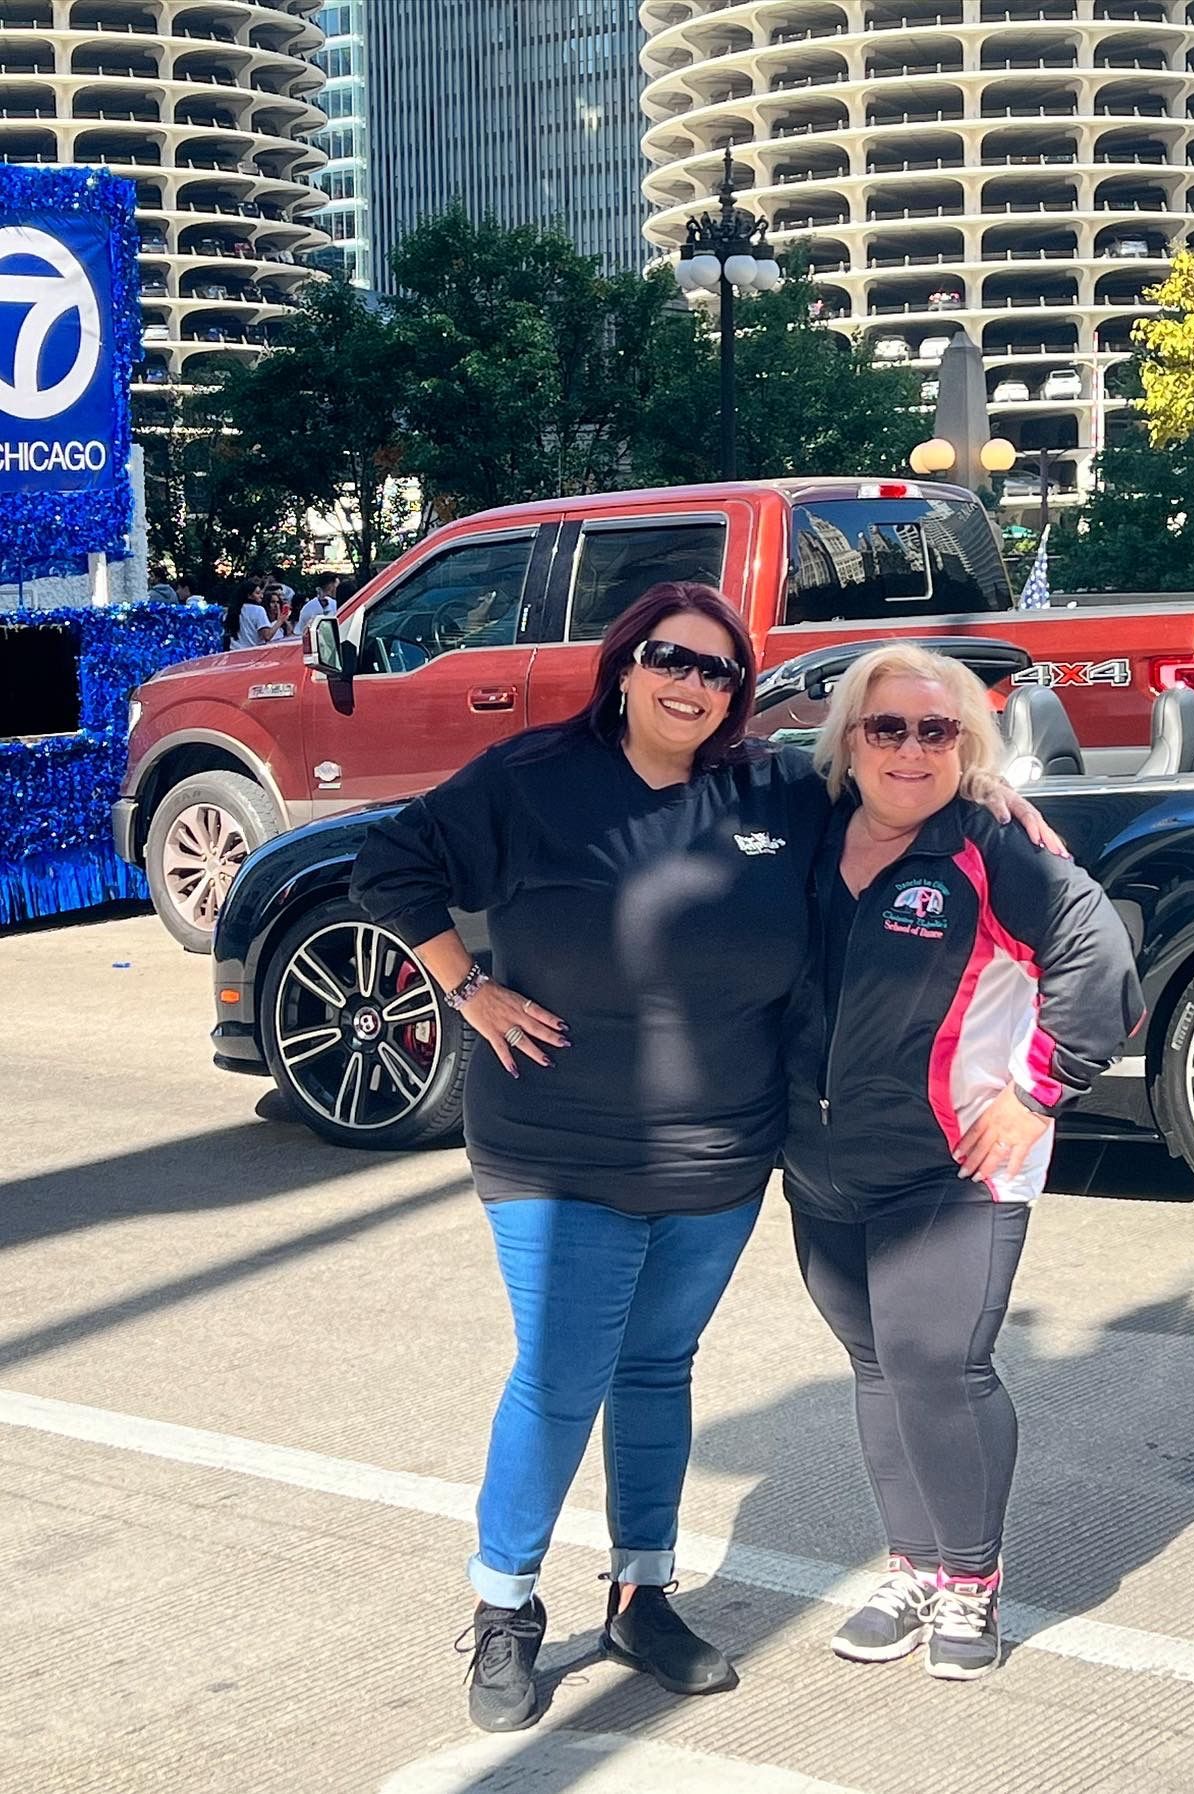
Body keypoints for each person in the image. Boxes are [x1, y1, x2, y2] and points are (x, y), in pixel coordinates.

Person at [350, 586, 1058, 1734]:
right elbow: (387, 861)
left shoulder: (775, 786)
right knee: (562, 1373)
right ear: (624, 666)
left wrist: (993, 796)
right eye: (671, 659)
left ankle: (642, 1593)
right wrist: (468, 989)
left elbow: (903, 781)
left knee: (656, 1369)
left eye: (721, 671)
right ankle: (504, 1608)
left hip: (722, 1146)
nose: (694, 684)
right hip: (557, 1143)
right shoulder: (530, 778)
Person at [782, 643, 1143, 1685]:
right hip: (821, 1163)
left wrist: (1039, 1091)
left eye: (937, 732)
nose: (909, 749)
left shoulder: (992, 848)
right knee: (877, 1365)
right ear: (849, 739)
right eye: (886, 727)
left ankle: (969, 1583)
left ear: (969, 747)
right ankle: (910, 1566)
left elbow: (1101, 964)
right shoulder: (807, 828)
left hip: (953, 1171)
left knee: (940, 1365)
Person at [222, 579, 282, 650]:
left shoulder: (231, 611)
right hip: (250, 652)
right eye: (258, 593)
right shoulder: (258, 610)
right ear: (249, 595)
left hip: (233, 652)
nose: (261, 596)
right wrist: (280, 620)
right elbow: (267, 636)